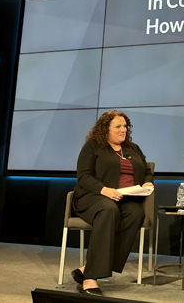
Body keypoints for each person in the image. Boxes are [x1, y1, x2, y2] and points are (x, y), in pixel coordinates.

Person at [71, 110, 154, 296]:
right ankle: (90, 277)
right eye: (118, 126)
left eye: (125, 126)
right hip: (92, 197)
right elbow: (83, 176)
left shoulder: (133, 148)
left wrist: (148, 181)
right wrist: (104, 190)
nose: (123, 130)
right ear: (105, 129)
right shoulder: (93, 147)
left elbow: (147, 169)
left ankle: (88, 268)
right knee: (108, 210)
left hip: (124, 198)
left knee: (136, 213)